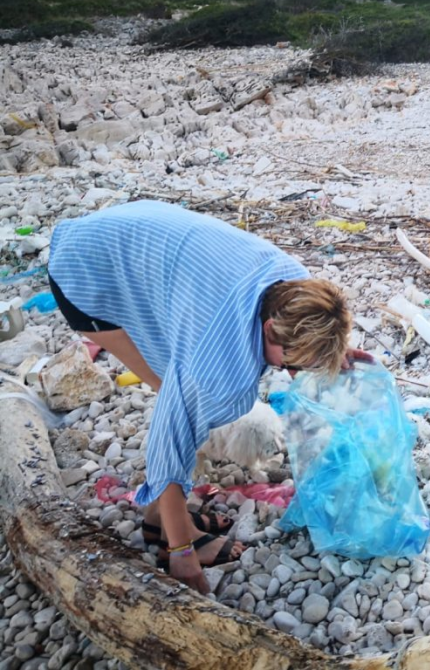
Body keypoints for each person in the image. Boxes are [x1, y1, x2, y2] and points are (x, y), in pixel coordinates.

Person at [48, 200, 371, 593]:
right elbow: (169, 436)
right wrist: (182, 553)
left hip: (126, 236)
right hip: (83, 270)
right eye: (296, 364)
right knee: (179, 403)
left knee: (184, 393)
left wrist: (332, 353)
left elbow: (307, 333)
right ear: (270, 330)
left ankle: (157, 516)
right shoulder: (217, 366)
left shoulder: (297, 290)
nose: (296, 374)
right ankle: (171, 529)